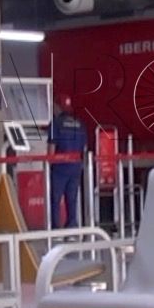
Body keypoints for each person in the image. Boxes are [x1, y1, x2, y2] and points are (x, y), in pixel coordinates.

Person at [47, 94, 86, 227]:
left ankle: (55, 228)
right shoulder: (80, 124)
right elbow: (83, 148)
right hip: (75, 167)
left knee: (55, 199)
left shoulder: (56, 124)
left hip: (60, 168)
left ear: (57, 107)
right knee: (72, 199)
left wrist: (49, 164)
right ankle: (72, 226)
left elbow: (51, 149)